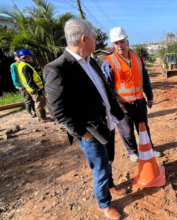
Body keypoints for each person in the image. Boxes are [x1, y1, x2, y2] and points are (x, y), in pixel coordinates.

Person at [43, 18, 126, 220]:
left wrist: (115, 111)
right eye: (94, 37)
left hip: (107, 123)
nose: (97, 41)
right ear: (83, 38)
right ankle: (104, 205)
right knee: (100, 167)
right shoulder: (57, 69)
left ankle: (111, 185)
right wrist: (84, 134)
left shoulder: (92, 61)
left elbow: (103, 90)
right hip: (90, 132)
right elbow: (59, 111)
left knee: (109, 160)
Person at [101, 27, 161, 162]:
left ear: (127, 42)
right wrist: (116, 104)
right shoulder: (109, 62)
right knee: (127, 131)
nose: (119, 45)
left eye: (121, 42)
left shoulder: (137, 57)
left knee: (143, 128)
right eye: (116, 43)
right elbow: (106, 87)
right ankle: (132, 151)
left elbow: (145, 78)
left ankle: (149, 148)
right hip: (123, 105)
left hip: (139, 102)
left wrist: (149, 96)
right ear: (113, 45)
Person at [17, 49, 52, 123]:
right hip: (34, 89)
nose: (32, 58)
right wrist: (37, 89)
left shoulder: (22, 65)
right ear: (26, 57)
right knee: (39, 103)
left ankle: (43, 117)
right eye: (31, 57)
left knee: (40, 102)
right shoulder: (26, 66)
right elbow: (29, 80)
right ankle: (42, 118)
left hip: (32, 88)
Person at [10, 51, 36, 118]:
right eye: (18, 57)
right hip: (22, 86)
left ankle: (35, 111)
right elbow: (14, 76)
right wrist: (19, 85)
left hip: (28, 85)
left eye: (20, 56)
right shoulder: (14, 65)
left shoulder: (24, 63)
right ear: (15, 58)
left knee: (33, 98)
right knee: (28, 99)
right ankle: (29, 112)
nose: (20, 58)